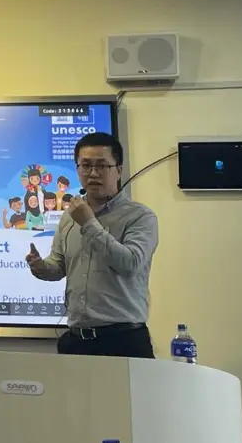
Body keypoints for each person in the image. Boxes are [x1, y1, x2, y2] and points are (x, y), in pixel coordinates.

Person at [26, 132, 158, 358]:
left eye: (102, 166)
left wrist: (88, 223)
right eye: (86, 166)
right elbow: (59, 266)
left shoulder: (140, 217)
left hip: (123, 340)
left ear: (118, 170)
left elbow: (130, 263)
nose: (93, 173)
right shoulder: (69, 217)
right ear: (77, 169)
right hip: (76, 340)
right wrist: (40, 266)